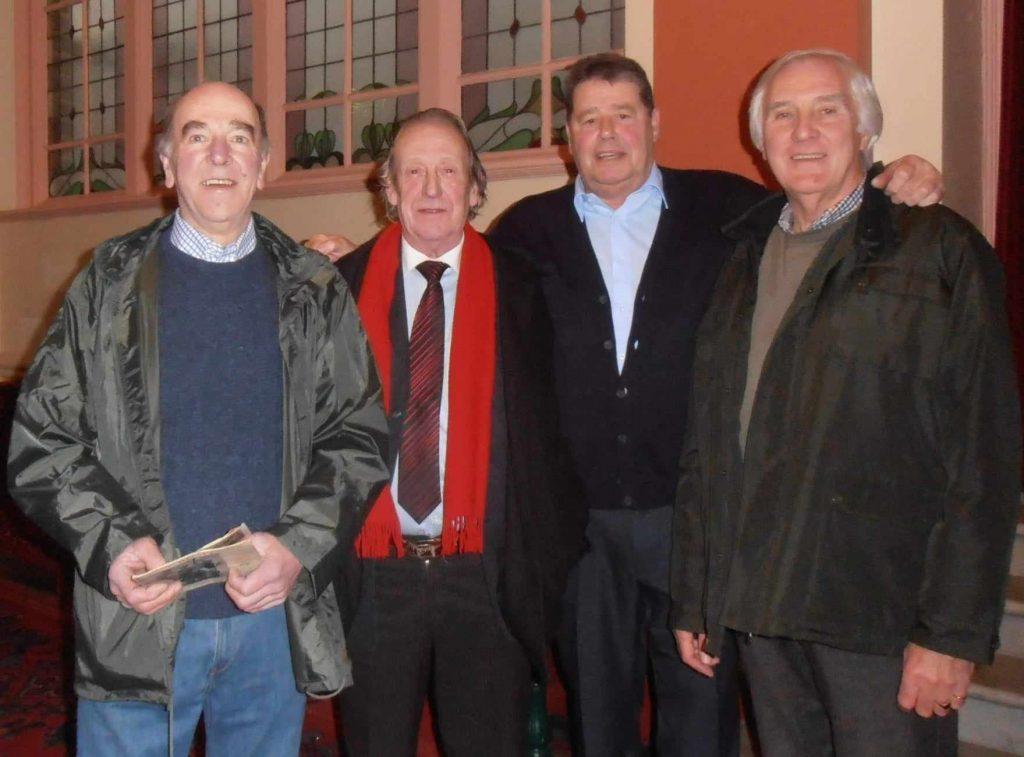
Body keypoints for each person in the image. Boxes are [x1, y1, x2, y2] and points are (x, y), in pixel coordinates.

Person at [308, 52, 944, 756]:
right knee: (596, 718)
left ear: (654, 122)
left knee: (699, 717)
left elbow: (818, 199)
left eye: (623, 115)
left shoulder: (726, 209)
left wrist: (892, 179)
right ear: (567, 137)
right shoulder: (525, 235)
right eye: (589, 119)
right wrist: (332, 260)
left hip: (685, 521)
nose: (607, 133)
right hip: (577, 535)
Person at [6, 81, 391, 756]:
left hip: (269, 621)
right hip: (139, 622)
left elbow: (357, 436)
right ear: (166, 164)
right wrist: (112, 542)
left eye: (239, 135)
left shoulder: (313, 288)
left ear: (264, 163)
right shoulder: (108, 282)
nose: (219, 153)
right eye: (196, 135)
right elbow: (42, 438)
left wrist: (297, 546)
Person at [670, 48, 1020, 756]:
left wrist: (949, 634)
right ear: (761, 143)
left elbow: (984, 454)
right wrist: (698, 592)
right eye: (783, 114)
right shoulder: (741, 262)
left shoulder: (939, 249)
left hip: (881, 619)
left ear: (865, 130)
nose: (804, 131)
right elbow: (710, 444)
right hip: (764, 609)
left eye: (827, 111)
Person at [332, 108, 584, 756]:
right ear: (387, 189)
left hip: (486, 576)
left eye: (449, 170)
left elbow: (560, 438)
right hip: (373, 578)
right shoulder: (337, 288)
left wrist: (540, 571)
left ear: (476, 187)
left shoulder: (526, 289)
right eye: (413, 172)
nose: (432, 189)